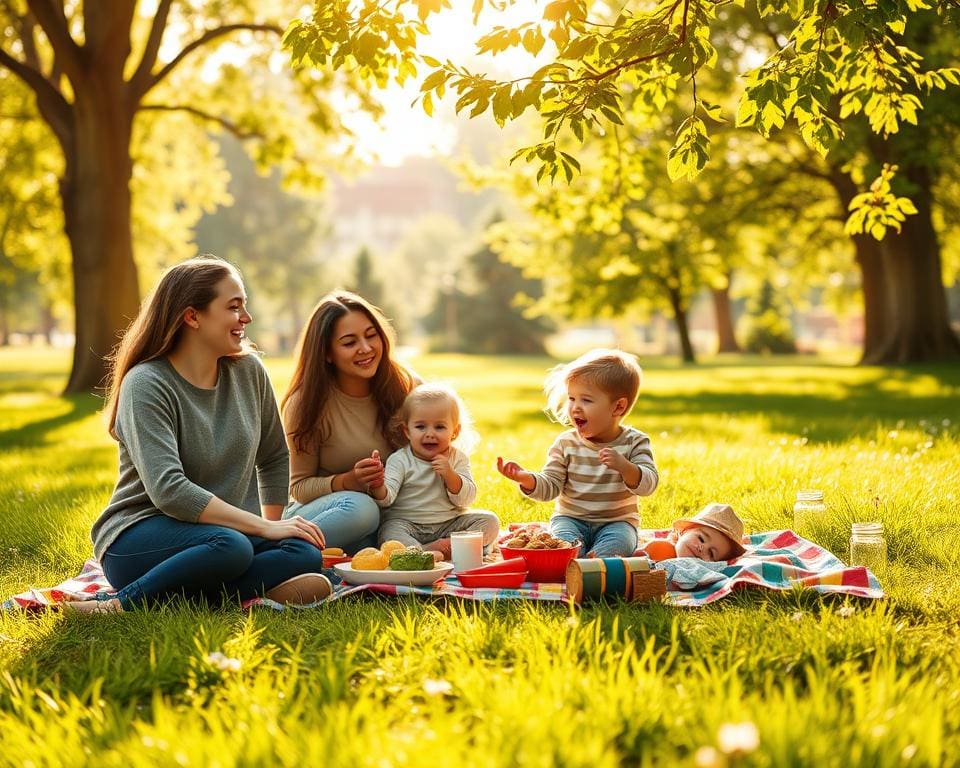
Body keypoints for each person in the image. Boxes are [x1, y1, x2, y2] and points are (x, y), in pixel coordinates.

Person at [72, 256, 329, 614]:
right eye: (234, 307)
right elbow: (170, 490)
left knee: (303, 551)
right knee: (232, 548)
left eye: (244, 306)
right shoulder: (146, 383)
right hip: (140, 536)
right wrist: (261, 530)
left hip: (226, 535)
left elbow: (273, 457)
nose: (246, 318)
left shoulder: (249, 371)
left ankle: (201, 597)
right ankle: (119, 605)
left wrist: (275, 527)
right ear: (192, 317)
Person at [282, 291, 417, 552]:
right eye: (349, 342)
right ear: (327, 353)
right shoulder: (306, 403)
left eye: (371, 335)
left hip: (390, 516)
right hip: (331, 512)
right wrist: (348, 481)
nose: (365, 348)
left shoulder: (407, 387)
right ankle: (280, 549)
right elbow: (299, 487)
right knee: (363, 510)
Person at [496, 348, 658, 558]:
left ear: (618, 407)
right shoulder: (566, 444)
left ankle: (591, 563)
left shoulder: (635, 442)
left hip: (617, 523)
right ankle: (582, 563)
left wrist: (626, 467)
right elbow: (551, 485)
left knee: (619, 545)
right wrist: (526, 479)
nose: (575, 408)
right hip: (570, 520)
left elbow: (649, 484)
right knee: (562, 545)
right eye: (572, 398)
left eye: (586, 400)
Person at [368, 384, 500, 559]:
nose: (430, 434)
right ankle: (428, 550)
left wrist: (450, 475)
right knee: (389, 532)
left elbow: (467, 499)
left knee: (490, 521)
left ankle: (443, 548)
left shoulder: (457, 458)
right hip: (407, 525)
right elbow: (387, 499)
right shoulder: (400, 459)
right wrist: (378, 486)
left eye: (439, 427)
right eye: (420, 427)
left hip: (449, 525)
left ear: (454, 432)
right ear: (407, 431)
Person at [640, 503, 747, 562]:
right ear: (685, 530)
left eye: (711, 553)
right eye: (701, 539)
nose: (702, 548)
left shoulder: (699, 577)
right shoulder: (657, 547)